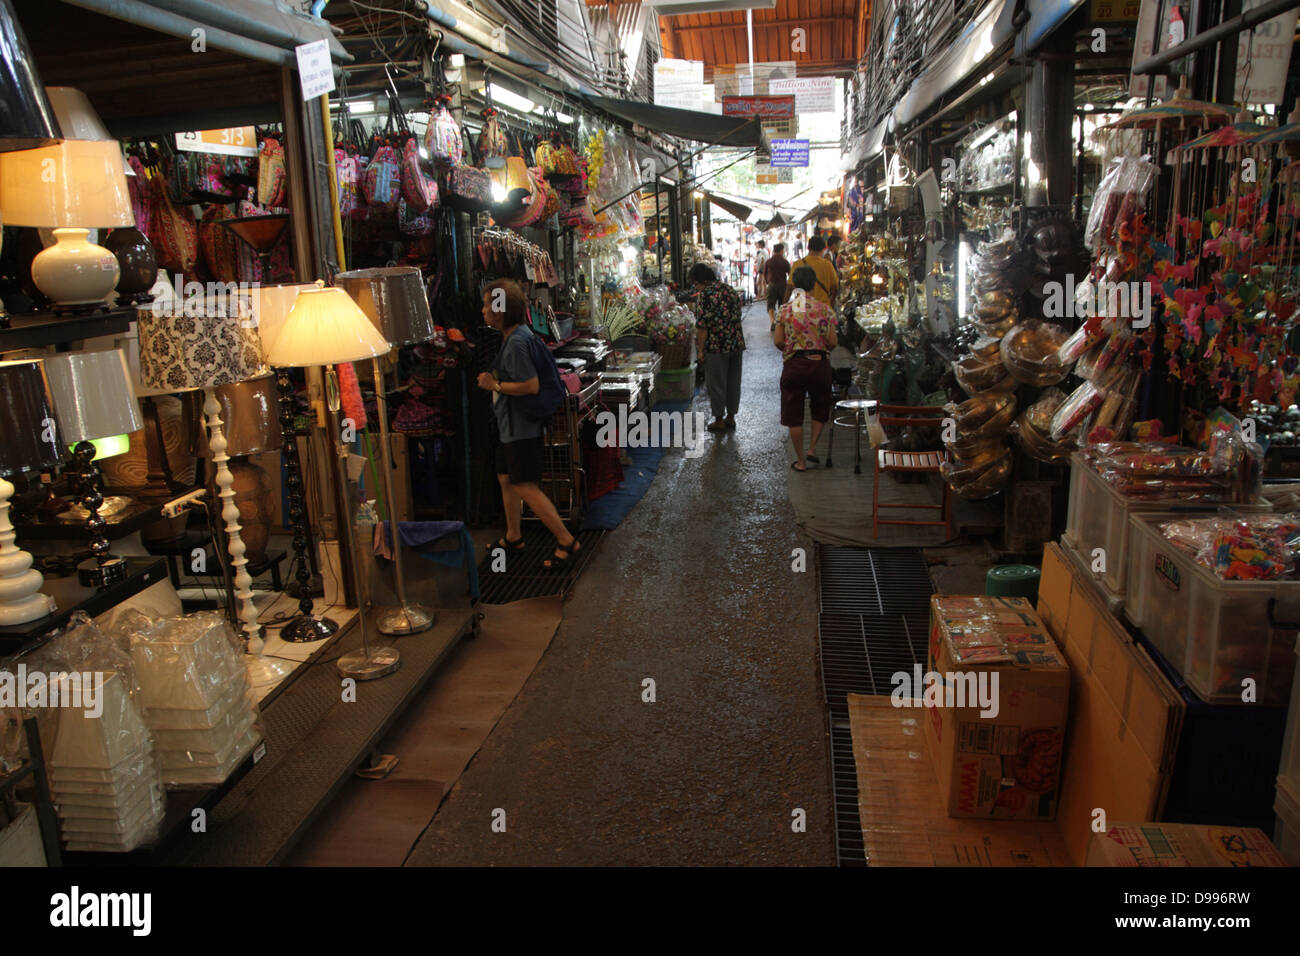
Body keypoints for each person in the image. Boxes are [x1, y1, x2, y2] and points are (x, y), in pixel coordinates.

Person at [476, 278, 581, 571]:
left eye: (488, 305)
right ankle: (513, 536)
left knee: (524, 484)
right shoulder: (515, 335)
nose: (483, 311)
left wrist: (493, 384)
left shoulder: (517, 343)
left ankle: (566, 541)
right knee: (506, 477)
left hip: (521, 428)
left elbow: (531, 386)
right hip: (510, 426)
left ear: (500, 310)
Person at [773, 266, 838, 472]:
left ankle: (800, 461)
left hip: (795, 365)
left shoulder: (786, 310)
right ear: (813, 284)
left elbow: (777, 341)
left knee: (794, 414)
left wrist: (791, 347)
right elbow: (833, 341)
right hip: (819, 364)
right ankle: (811, 449)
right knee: (820, 408)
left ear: (794, 284)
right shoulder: (824, 308)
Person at [690, 263, 745, 433]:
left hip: (716, 346)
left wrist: (700, 350)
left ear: (703, 281)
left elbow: (702, 326)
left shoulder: (705, 295)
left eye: (696, 284)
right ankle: (731, 417)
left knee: (717, 383)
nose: (696, 287)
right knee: (733, 381)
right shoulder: (729, 290)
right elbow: (738, 314)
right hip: (735, 342)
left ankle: (719, 419)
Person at [793, 235, 839, 310]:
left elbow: (790, 287)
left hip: (801, 308)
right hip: (822, 308)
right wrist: (832, 301)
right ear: (823, 249)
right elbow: (835, 287)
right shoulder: (827, 265)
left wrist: (784, 304)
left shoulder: (797, 264)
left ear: (808, 247)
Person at [763, 241, 791, 329]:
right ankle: (780, 323)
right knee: (782, 305)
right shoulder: (785, 261)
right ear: (782, 251)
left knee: (771, 305)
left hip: (772, 285)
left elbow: (765, 274)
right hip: (782, 285)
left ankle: (772, 320)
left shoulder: (769, 261)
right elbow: (790, 274)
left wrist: (768, 283)